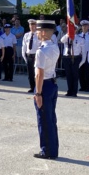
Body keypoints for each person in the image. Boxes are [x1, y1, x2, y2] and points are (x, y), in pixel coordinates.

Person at [32, 20, 60, 160]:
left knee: (43, 119)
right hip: (52, 84)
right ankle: (53, 149)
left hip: (44, 86)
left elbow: (39, 74)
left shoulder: (41, 51)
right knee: (51, 118)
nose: (36, 33)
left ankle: (47, 150)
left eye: (38, 30)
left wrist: (38, 93)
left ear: (43, 32)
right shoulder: (54, 47)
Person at [59, 28, 86, 97]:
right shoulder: (66, 37)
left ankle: (74, 92)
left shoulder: (80, 39)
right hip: (67, 57)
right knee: (68, 75)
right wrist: (68, 34)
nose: (71, 30)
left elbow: (83, 51)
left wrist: (82, 61)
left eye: (73, 29)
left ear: (76, 30)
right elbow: (61, 40)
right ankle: (69, 90)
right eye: (70, 29)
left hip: (75, 58)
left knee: (75, 75)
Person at [22, 19, 40, 93]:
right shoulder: (26, 35)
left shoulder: (39, 35)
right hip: (29, 55)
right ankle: (32, 87)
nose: (32, 27)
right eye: (30, 25)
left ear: (36, 26)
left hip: (37, 56)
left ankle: (38, 88)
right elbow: (24, 46)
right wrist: (24, 56)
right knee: (30, 73)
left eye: (33, 25)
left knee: (37, 73)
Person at [78, 20, 89, 92]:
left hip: (88, 55)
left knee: (87, 71)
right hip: (80, 55)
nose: (84, 27)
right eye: (83, 26)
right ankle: (82, 86)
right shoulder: (78, 36)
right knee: (81, 71)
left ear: (88, 27)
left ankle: (87, 86)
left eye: (86, 26)